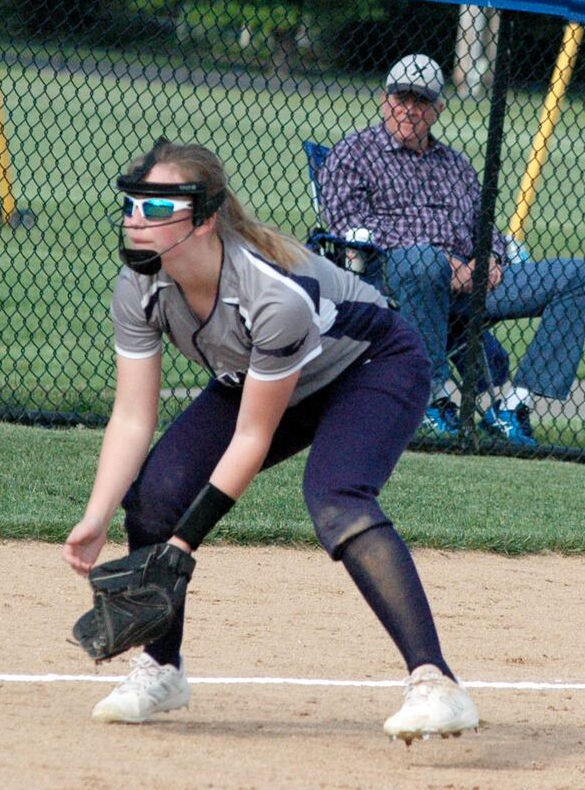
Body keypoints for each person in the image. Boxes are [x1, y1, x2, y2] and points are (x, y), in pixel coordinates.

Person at [62, 140, 479, 742]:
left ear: (204, 219)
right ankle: (161, 666)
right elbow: (131, 416)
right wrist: (97, 516)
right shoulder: (140, 286)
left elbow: (253, 438)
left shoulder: (270, 293)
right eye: (132, 205)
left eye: (157, 209)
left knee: (337, 495)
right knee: (154, 496)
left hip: (371, 365)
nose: (136, 221)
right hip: (261, 376)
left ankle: (436, 683)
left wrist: (183, 544)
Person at [318, 53, 585, 446]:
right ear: (385, 101)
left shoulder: (455, 165)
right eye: (401, 99)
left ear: (437, 109)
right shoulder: (354, 153)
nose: (409, 110)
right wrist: (443, 261)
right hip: (392, 275)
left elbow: (485, 227)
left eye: (421, 101)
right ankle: (432, 399)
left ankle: (512, 406)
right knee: (424, 262)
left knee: (581, 276)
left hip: (470, 282)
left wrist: (490, 257)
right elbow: (347, 223)